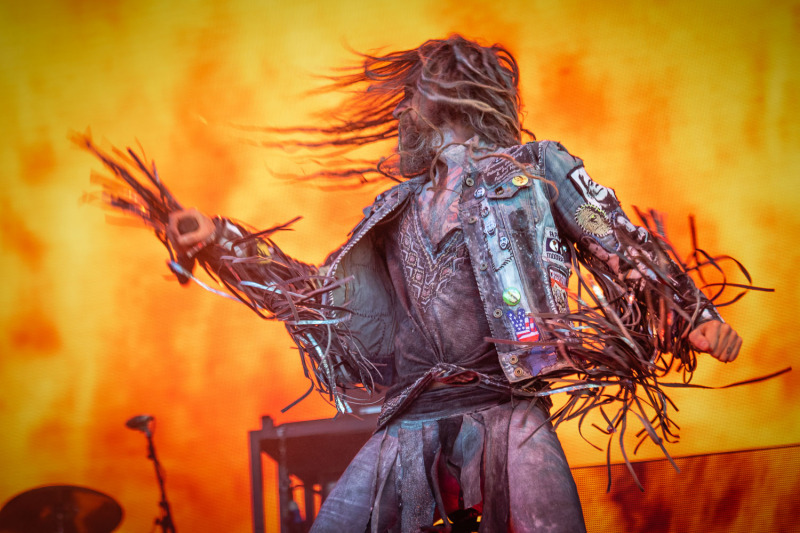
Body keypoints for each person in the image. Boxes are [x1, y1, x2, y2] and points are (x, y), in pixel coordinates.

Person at [142, 35, 739, 532]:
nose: (402, 107)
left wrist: (692, 314)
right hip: (410, 419)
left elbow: (607, 230)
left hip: (508, 410)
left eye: (414, 91)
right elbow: (319, 300)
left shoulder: (536, 171)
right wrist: (221, 240)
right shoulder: (393, 210)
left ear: (450, 91)